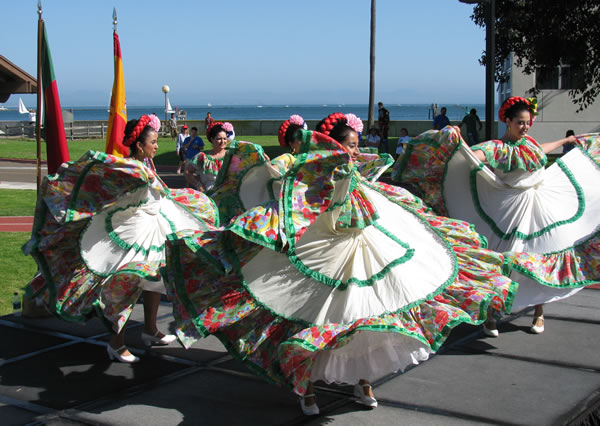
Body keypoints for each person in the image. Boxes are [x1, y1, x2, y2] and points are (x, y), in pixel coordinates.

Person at [163, 111, 517, 416]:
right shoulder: (306, 170)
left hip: (362, 252)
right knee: (318, 316)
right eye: (351, 143)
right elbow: (282, 187)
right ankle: (309, 386)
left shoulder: (357, 169)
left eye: (357, 143)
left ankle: (363, 382)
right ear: (333, 144)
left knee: (364, 314)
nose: (357, 149)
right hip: (321, 252)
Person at [392, 96, 600, 335]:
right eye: (520, 123)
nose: (525, 126)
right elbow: (471, 157)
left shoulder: (530, 143)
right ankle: (493, 313)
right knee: (501, 259)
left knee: (541, 254)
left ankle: (538, 312)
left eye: (527, 122)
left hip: (539, 206)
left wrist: (566, 140)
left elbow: (541, 150)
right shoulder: (497, 148)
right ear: (508, 122)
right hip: (509, 209)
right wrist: (457, 142)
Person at [23, 114, 218, 363]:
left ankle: (150, 330)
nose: (157, 146)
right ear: (139, 145)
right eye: (154, 142)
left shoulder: (145, 164)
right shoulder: (130, 167)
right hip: (132, 235)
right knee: (130, 284)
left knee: (155, 279)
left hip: (152, 229)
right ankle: (116, 343)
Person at [184, 122, 234, 192]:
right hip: (210, 195)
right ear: (212, 139)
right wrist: (198, 185)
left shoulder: (232, 155)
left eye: (225, 138)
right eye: (219, 138)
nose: (223, 141)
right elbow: (187, 172)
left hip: (229, 195)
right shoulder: (203, 157)